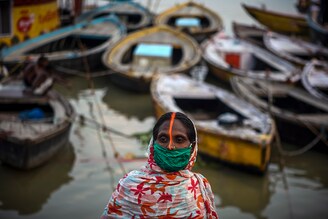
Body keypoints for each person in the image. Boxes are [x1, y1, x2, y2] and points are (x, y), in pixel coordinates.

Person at [100, 112, 219, 218]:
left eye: (179, 139)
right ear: (153, 144)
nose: (170, 146)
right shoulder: (130, 184)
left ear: (192, 147)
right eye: (163, 139)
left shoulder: (199, 185)